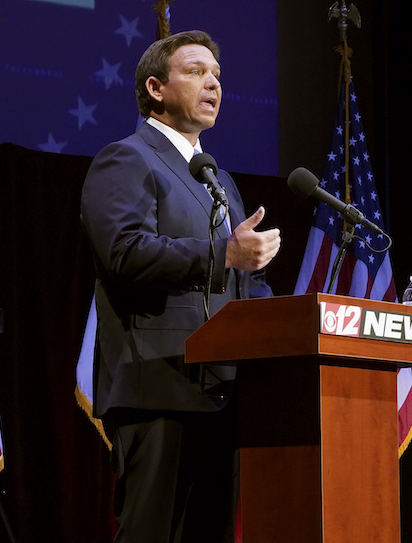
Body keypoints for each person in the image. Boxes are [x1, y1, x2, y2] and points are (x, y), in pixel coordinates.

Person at [80, 30, 281, 542]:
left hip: (222, 392)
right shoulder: (126, 159)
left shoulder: (218, 178)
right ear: (156, 88)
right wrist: (226, 255)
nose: (212, 83)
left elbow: (240, 280)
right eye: (195, 72)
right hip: (158, 385)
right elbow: (124, 253)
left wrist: (290, 319)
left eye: (217, 75)